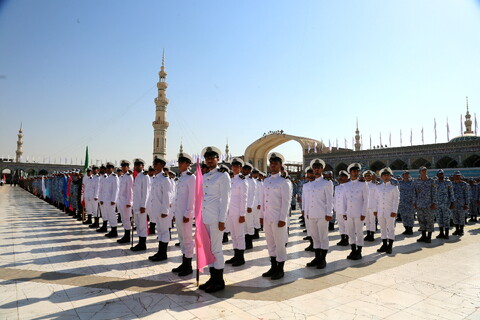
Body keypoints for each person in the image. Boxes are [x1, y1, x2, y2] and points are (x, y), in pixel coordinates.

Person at [198, 146, 231, 293]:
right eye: (207, 158)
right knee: (208, 249)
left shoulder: (223, 176)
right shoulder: (204, 176)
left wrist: (222, 219)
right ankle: (212, 278)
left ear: (218, 159)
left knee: (216, 250)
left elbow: (225, 199)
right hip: (205, 218)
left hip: (216, 219)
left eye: (212, 157)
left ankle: (219, 281)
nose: (210, 160)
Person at [260, 152, 292, 280]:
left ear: (280, 165)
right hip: (268, 217)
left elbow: (286, 202)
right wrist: (262, 215)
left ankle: (280, 269)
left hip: (278, 218)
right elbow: (263, 200)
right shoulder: (266, 181)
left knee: (280, 244)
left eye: (275, 163)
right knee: (270, 243)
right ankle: (273, 267)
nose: (273, 165)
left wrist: (282, 218)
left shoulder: (284, 182)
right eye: (271, 163)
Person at [304, 159, 333, 269]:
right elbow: (307, 200)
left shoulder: (327, 183)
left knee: (323, 237)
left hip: (322, 214)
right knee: (315, 237)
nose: (316, 169)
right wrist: (306, 212)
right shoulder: (309, 185)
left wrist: (329, 213)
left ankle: (323, 259)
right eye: (315, 167)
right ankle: (317, 258)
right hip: (311, 215)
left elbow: (329, 199)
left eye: (319, 167)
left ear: (322, 169)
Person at [171, 153, 196, 276]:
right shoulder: (181, 178)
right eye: (179, 162)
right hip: (179, 212)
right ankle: (184, 262)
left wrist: (188, 213)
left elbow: (192, 197)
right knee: (181, 238)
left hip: (186, 214)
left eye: (182, 163)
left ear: (188, 164)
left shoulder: (191, 178)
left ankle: (188, 265)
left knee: (187, 239)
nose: (180, 165)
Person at [341, 163, 369, 260]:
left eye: (357, 171)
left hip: (359, 213)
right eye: (353, 171)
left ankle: (359, 251)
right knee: (350, 232)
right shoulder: (345, 185)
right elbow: (344, 200)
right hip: (349, 213)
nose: (355, 173)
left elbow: (366, 200)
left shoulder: (363, 184)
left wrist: (363, 213)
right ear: (350, 173)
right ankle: (353, 250)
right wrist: (344, 212)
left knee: (359, 232)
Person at [148, 157, 174, 261]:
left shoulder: (165, 179)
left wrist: (165, 211)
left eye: (157, 163)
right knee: (160, 232)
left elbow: (167, 196)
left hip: (163, 211)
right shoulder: (156, 178)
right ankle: (160, 252)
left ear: (162, 165)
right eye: (154, 163)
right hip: (156, 209)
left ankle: (163, 254)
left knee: (164, 232)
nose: (154, 165)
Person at [225, 157, 248, 267]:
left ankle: (241, 257)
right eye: (233, 166)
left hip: (238, 212)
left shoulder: (242, 181)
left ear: (240, 168)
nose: (235, 168)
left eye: (237, 166)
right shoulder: (230, 180)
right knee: (233, 235)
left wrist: (242, 214)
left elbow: (244, 199)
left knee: (239, 235)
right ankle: (236, 255)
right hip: (230, 212)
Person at [373, 168, 399, 254]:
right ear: (381, 177)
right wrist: (375, 210)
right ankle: (384, 245)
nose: (386, 177)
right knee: (382, 228)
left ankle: (390, 246)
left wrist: (394, 211)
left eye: (388, 175)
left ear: (390, 176)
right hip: (380, 211)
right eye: (384, 175)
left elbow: (396, 200)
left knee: (390, 229)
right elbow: (376, 199)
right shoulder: (378, 187)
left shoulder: (394, 187)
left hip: (390, 212)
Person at [131, 159, 151, 251]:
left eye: (139, 165)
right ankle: (140, 243)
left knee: (142, 225)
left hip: (142, 206)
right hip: (136, 205)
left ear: (143, 166)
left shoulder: (145, 177)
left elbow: (146, 192)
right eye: (136, 165)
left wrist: (143, 205)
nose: (137, 166)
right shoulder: (137, 177)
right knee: (138, 224)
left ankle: (143, 244)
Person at [413, 167, 437, 243]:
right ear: (419, 172)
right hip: (419, 204)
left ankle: (429, 237)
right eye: (422, 171)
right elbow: (414, 193)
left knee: (429, 221)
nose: (424, 172)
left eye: (425, 171)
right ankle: (423, 236)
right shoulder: (416, 182)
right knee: (421, 220)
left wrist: (434, 203)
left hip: (429, 204)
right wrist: (414, 202)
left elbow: (434, 193)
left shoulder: (431, 181)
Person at [117, 160, 134, 244]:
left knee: (127, 220)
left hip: (126, 202)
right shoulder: (122, 177)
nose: (123, 168)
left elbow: (130, 190)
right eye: (122, 166)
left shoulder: (129, 177)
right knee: (123, 219)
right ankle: (125, 235)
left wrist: (129, 202)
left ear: (128, 167)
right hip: (121, 201)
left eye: (125, 166)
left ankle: (127, 236)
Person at [434, 169, 454, 239]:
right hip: (437, 204)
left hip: (446, 204)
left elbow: (451, 193)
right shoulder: (435, 183)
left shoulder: (448, 182)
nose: (441, 175)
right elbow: (433, 193)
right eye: (439, 174)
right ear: (437, 175)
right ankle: (441, 233)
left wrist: (452, 203)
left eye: (442, 174)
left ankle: (447, 234)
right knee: (439, 219)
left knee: (446, 219)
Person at [242, 162, 257, 250]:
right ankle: (244, 243)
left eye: (245, 169)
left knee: (249, 224)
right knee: (243, 225)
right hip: (242, 206)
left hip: (249, 206)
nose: (243, 170)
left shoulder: (252, 181)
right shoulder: (241, 179)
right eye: (243, 169)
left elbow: (253, 194)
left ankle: (249, 243)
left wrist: (250, 206)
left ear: (249, 170)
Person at [103, 162, 120, 238]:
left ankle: (114, 230)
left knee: (112, 215)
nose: (108, 169)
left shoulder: (114, 177)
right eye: (107, 168)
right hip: (106, 200)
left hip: (111, 201)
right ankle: (112, 230)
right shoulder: (107, 177)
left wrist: (114, 200)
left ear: (112, 169)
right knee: (109, 215)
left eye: (110, 168)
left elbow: (116, 189)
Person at [451, 171, 470, 236]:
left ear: (460, 176)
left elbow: (467, 195)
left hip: (462, 204)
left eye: (459, 176)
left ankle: (461, 230)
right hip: (454, 204)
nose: (457, 177)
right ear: (454, 177)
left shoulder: (464, 184)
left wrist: (466, 204)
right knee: (455, 217)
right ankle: (457, 230)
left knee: (461, 217)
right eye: (456, 176)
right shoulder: (451, 184)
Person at [334, 170, 350, 246]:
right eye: (341, 176)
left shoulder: (349, 186)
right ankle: (342, 238)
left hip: (346, 210)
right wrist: (335, 208)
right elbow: (335, 198)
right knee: (340, 225)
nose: (341, 178)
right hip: (338, 209)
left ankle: (347, 239)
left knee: (347, 225)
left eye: (343, 176)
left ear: (347, 178)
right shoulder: (337, 187)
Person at [398, 171, 415, 235]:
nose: (405, 175)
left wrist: (414, 201)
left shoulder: (412, 183)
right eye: (404, 174)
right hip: (402, 203)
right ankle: (406, 228)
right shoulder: (399, 183)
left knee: (410, 216)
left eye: (407, 174)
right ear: (402, 175)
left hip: (410, 202)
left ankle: (410, 229)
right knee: (403, 216)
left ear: (408, 175)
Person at [363, 170, 377, 242]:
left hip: (372, 206)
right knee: (367, 221)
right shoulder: (362, 185)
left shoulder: (374, 186)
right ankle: (368, 234)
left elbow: (376, 197)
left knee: (372, 221)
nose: (368, 177)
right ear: (364, 177)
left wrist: (376, 208)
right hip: (365, 207)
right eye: (367, 176)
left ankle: (372, 234)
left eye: (369, 176)